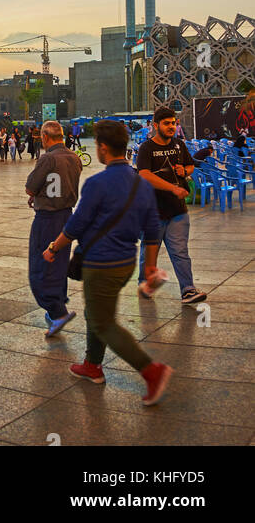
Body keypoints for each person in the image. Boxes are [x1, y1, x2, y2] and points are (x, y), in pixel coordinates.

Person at [45, 119, 172, 405]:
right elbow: (153, 229)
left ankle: (152, 371)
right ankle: (92, 365)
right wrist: (149, 267)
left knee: (104, 322)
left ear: (102, 148)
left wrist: (53, 247)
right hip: (126, 263)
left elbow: (76, 225)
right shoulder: (140, 182)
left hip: (101, 264)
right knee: (96, 312)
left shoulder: (98, 183)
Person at [134, 106, 207, 305]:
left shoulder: (178, 145)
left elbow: (190, 165)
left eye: (173, 123)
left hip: (178, 211)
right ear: (156, 125)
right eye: (166, 123)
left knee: (180, 251)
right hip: (153, 212)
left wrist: (185, 171)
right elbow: (145, 175)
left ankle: (188, 290)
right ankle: (145, 284)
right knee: (149, 252)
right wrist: (172, 188)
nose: (171, 127)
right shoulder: (146, 148)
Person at [25, 121, 82, 336]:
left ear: (46, 137)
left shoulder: (48, 158)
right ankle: (58, 307)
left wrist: (36, 196)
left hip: (47, 219)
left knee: (40, 264)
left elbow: (30, 187)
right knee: (58, 264)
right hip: (67, 217)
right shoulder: (74, 157)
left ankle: (56, 312)